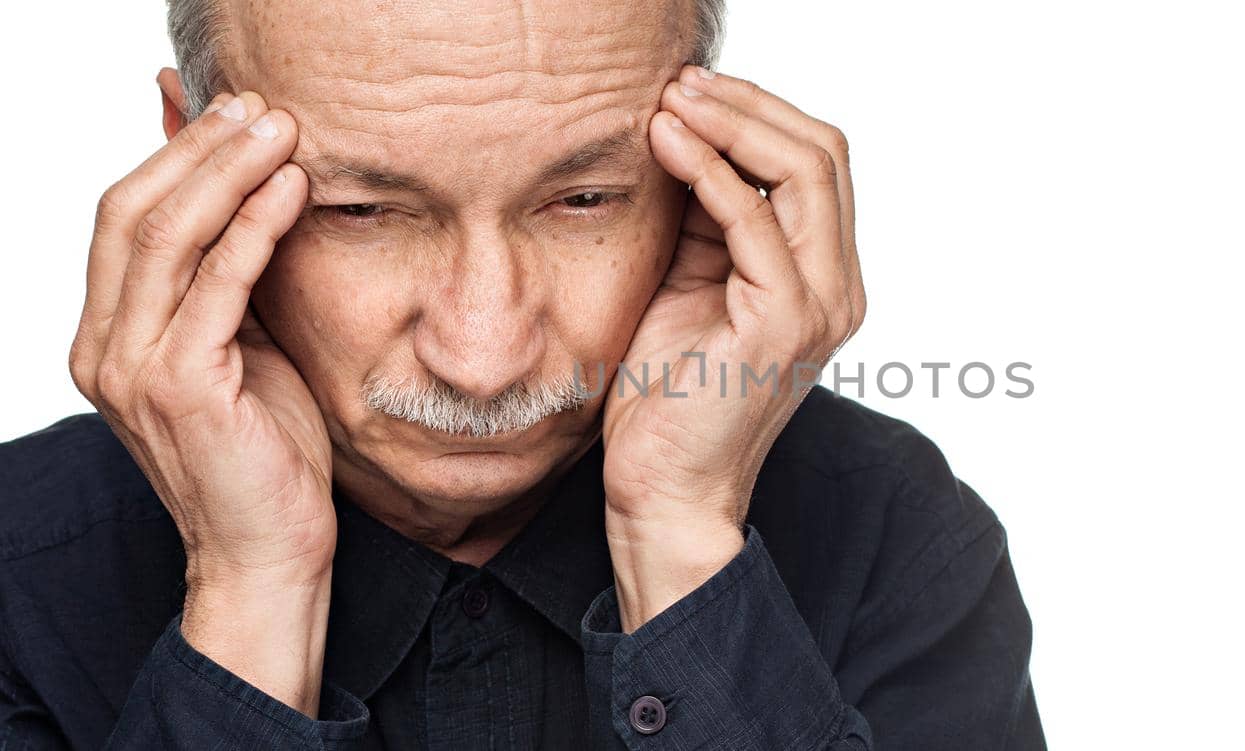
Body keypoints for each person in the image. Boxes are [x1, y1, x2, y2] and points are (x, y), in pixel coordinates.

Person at [0, 0, 1045, 747]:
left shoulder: (894, 533)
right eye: (358, 211)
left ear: (704, 176)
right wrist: (249, 597)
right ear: (189, 160)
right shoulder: (18, 577)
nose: (483, 354)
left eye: (584, 199)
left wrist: (679, 536)